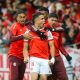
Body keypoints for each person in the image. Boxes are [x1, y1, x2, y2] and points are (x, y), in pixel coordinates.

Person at [23, 12, 55, 80]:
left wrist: (52, 58)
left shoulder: (47, 32)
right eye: (42, 19)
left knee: (43, 78)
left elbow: (52, 45)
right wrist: (26, 57)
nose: (44, 20)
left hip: (45, 59)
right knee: (34, 78)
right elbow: (25, 48)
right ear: (36, 20)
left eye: (44, 19)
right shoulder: (28, 32)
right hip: (34, 58)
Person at [44, 13, 72, 80]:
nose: (54, 22)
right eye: (52, 20)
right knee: (48, 78)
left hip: (57, 57)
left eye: (55, 20)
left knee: (63, 77)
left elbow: (60, 45)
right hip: (46, 57)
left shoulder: (58, 30)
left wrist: (66, 54)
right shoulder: (42, 28)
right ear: (48, 19)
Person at [8, 10, 32, 80]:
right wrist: (23, 36)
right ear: (17, 18)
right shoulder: (15, 26)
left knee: (20, 78)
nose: (22, 19)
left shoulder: (26, 29)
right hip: (14, 56)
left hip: (23, 57)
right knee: (14, 78)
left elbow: (27, 44)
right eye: (20, 17)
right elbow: (11, 38)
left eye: (24, 17)